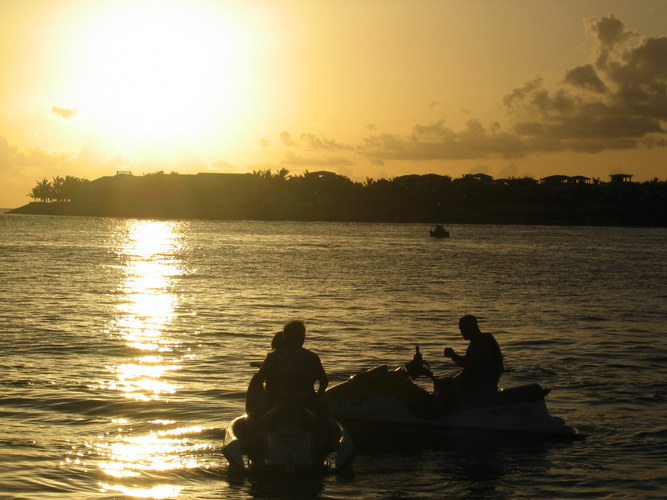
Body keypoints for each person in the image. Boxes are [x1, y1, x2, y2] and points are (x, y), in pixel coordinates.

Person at [247, 320, 328, 416]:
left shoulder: (273, 358)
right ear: (302, 337)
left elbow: (258, 380)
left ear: (285, 336)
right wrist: (320, 393)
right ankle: (322, 426)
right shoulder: (312, 357)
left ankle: (254, 419)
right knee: (325, 400)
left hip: (275, 403)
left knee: (255, 380)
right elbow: (324, 380)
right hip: (306, 403)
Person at [438, 315, 504, 402]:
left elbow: (470, 369)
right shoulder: (475, 342)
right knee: (443, 384)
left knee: (444, 389)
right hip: (477, 382)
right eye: (460, 329)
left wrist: (451, 381)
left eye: (464, 328)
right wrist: (452, 355)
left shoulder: (483, 343)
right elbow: (465, 362)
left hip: (484, 386)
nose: (461, 332)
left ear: (473, 327)